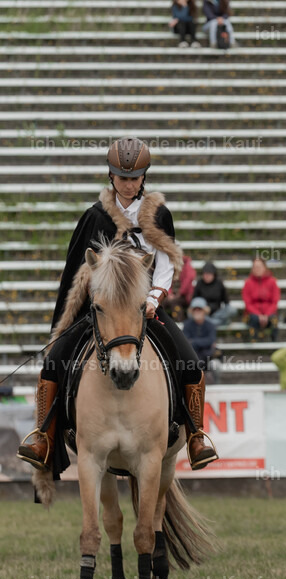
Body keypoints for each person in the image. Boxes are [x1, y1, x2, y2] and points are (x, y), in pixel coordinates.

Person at [17, 137, 218, 474]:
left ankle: (197, 436)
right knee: (54, 360)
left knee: (191, 362)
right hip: (104, 311)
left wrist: (154, 298)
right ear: (111, 177)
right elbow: (79, 271)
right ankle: (43, 435)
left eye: (135, 177)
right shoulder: (94, 217)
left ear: (144, 177)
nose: (128, 184)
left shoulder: (158, 214)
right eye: (122, 177)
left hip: (146, 308)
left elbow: (167, 262)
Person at [242, 256, 279, 341]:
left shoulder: (272, 282)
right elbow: (248, 303)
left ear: (264, 267)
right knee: (252, 319)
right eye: (255, 267)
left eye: (259, 267)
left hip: (269, 313)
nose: (257, 269)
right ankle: (253, 341)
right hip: (253, 314)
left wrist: (266, 315)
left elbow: (274, 302)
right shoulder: (248, 283)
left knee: (274, 320)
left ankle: (274, 342)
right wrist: (258, 315)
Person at [192, 261, 233, 327]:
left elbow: (226, 301)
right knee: (193, 314)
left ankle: (211, 322)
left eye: (209, 274)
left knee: (232, 310)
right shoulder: (199, 284)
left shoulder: (219, 284)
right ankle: (217, 322)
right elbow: (195, 301)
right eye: (205, 274)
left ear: (214, 274)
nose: (207, 276)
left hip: (218, 312)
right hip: (203, 313)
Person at [183, 297, 216, 371]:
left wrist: (194, 342)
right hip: (192, 356)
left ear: (204, 311)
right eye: (195, 309)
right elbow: (186, 341)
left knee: (215, 365)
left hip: (208, 356)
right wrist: (202, 342)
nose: (197, 312)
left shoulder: (210, 325)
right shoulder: (187, 324)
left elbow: (211, 340)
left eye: (200, 309)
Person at [162, 253, 195, 321]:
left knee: (174, 303)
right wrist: (170, 294)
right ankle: (160, 321)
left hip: (184, 296)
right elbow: (166, 280)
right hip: (172, 295)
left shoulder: (187, 266)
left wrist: (178, 294)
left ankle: (179, 321)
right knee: (161, 302)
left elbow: (187, 282)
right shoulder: (170, 265)